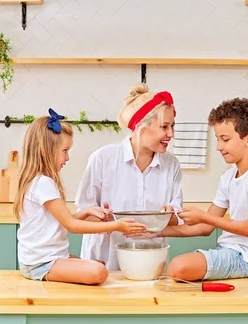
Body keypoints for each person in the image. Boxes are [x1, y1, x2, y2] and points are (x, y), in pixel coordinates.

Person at [15, 109, 147, 285]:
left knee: (98, 265)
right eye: (65, 150)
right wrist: (116, 225)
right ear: (47, 151)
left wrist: (86, 213)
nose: (67, 157)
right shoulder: (43, 183)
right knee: (99, 271)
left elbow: (62, 221)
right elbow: (71, 225)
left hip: (45, 258)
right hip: (42, 262)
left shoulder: (39, 181)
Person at [160, 98, 248, 281]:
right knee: (178, 267)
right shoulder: (229, 176)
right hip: (229, 251)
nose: (218, 147)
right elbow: (206, 226)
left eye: (225, 140)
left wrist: (204, 216)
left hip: (247, 259)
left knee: (178, 267)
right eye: (218, 139)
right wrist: (157, 231)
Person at [75, 83, 183, 270]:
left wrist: (168, 214)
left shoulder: (171, 164)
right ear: (142, 128)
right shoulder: (102, 159)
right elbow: (82, 217)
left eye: (172, 126)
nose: (171, 134)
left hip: (151, 261)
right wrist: (105, 218)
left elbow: (177, 219)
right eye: (164, 127)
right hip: (104, 263)